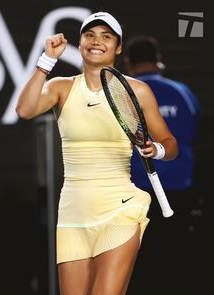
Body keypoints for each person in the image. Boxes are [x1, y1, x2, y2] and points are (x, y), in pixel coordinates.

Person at [16, 13, 178, 295]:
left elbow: (169, 143)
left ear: (117, 47)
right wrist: (46, 62)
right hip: (73, 213)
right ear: (80, 44)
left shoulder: (138, 91)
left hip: (120, 207)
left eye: (106, 36)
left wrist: (158, 149)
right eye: (90, 35)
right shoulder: (61, 87)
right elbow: (25, 110)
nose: (96, 42)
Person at [123, 34, 201, 291]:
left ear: (128, 62)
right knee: (176, 265)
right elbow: (192, 131)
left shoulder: (125, 94)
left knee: (139, 268)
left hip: (137, 197)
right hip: (177, 193)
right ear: (158, 60)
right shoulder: (183, 93)